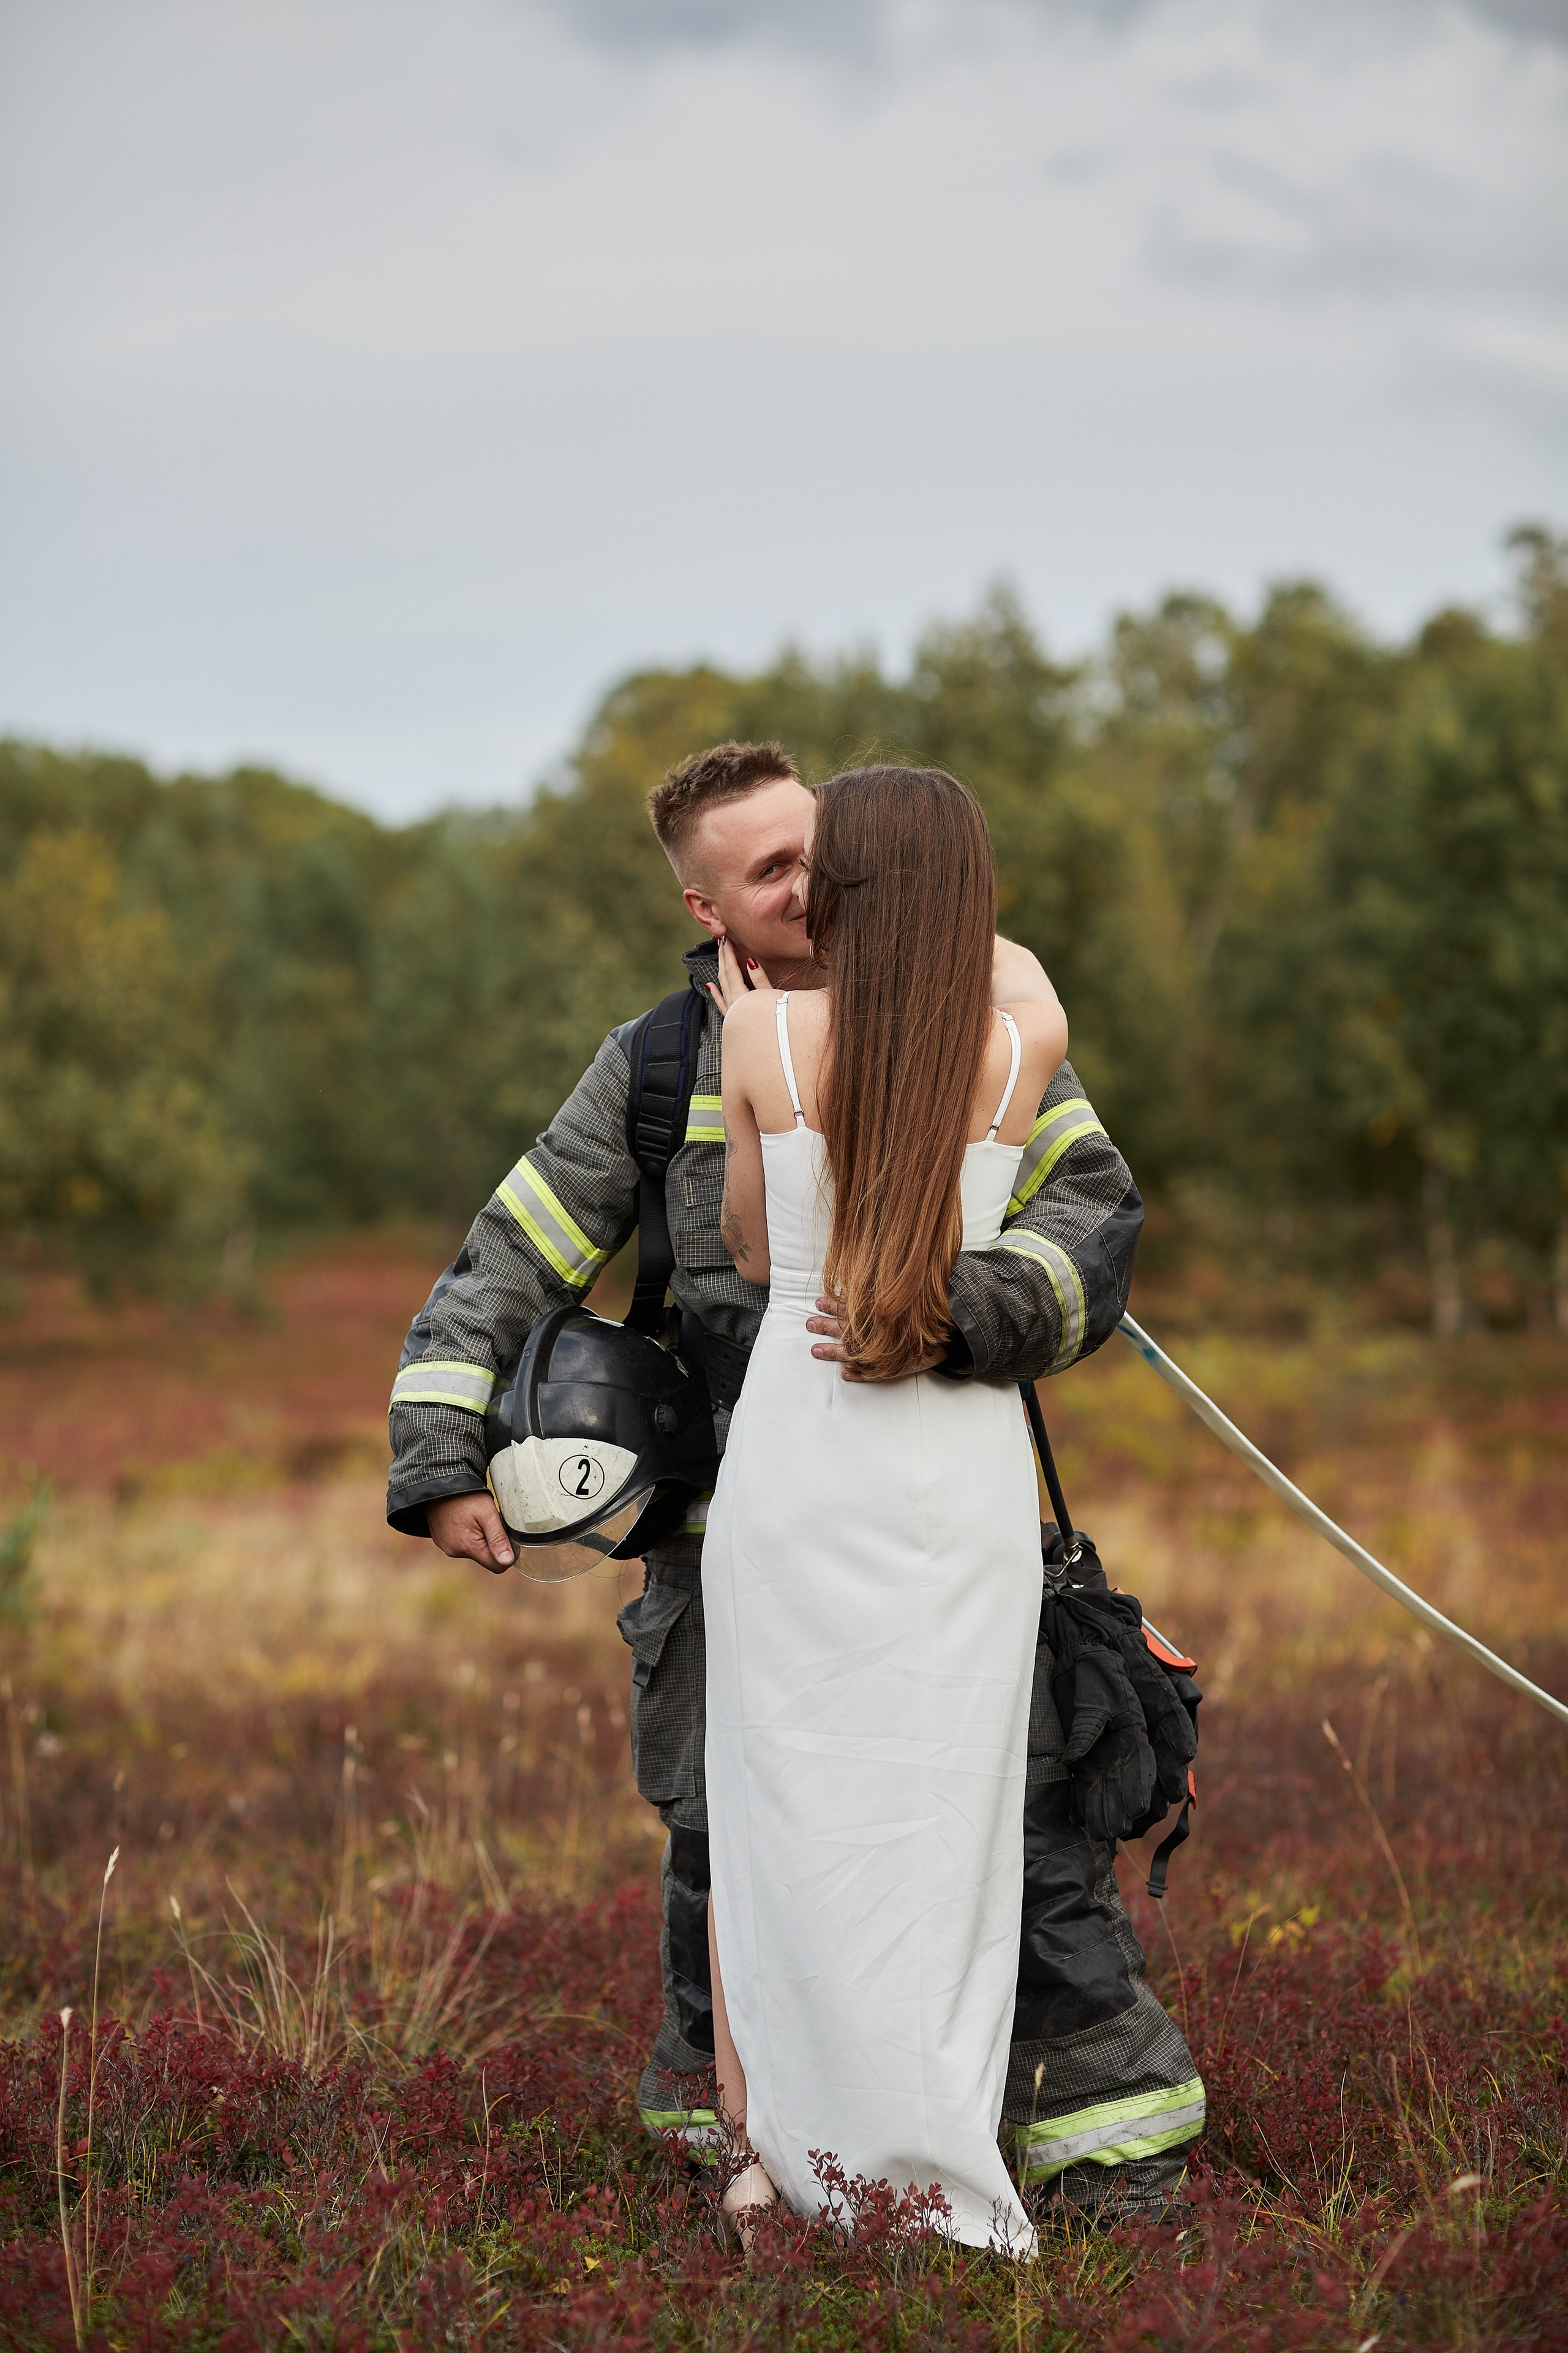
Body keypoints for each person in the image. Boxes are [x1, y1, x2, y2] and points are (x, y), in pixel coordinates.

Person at [385, 740, 1203, 2224]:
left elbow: (1092, 1213)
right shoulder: (649, 1066)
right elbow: (509, 1257)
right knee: (733, 1845)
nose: (811, 883)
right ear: (707, 908)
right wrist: (438, 1456)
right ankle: (750, 2159)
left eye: (822, 850)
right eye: (770, 869)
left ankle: (1105, 2151)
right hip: (727, 1546)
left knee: (1018, 1820)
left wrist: (958, 1309)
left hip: (934, 1509)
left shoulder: (983, 1015)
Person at [703, 763, 1068, 2252]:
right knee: (942, 1827)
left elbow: (741, 1248)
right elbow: (1014, 970)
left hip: (799, 1450)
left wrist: (772, 995)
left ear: (835, 886)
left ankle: (781, 2163)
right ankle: (930, 2163)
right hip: (953, 1472)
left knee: (783, 1811)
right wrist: (939, 926)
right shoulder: (1019, 1041)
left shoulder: (760, 1030)